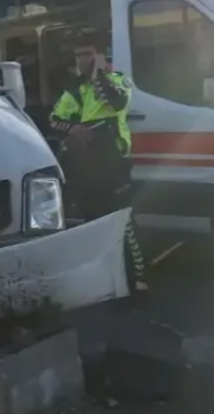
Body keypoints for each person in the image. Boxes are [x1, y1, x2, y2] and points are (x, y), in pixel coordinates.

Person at [48, 33, 147, 293]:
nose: (82, 60)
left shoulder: (117, 80)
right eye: (78, 55)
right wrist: (72, 129)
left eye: (88, 54)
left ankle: (137, 280)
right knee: (93, 223)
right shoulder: (74, 90)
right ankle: (104, 280)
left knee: (123, 222)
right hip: (88, 166)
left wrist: (99, 73)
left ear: (100, 55)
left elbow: (116, 101)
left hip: (114, 163)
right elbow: (54, 119)